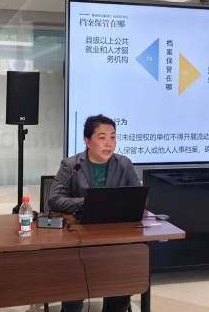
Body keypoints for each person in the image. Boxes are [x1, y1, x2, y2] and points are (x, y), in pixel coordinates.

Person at [49, 114, 141, 312]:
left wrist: (111, 203)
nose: (109, 143)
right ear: (87, 140)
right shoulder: (71, 165)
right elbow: (54, 199)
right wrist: (90, 203)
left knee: (121, 284)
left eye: (113, 137)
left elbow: (140, 198)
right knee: (74, 290)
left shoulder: (124, 164)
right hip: (80, 237)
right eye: (102, 137)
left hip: (116, 237)